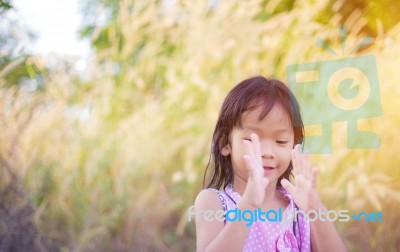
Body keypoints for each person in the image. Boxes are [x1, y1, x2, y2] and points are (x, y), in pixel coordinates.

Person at [194, 76, 347, 251]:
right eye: (253, 139)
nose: (267, 152)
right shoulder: (213, 202)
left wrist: (315, 209)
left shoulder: (300, 209)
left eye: (281, 141)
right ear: (224, 143)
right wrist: (249, 204)